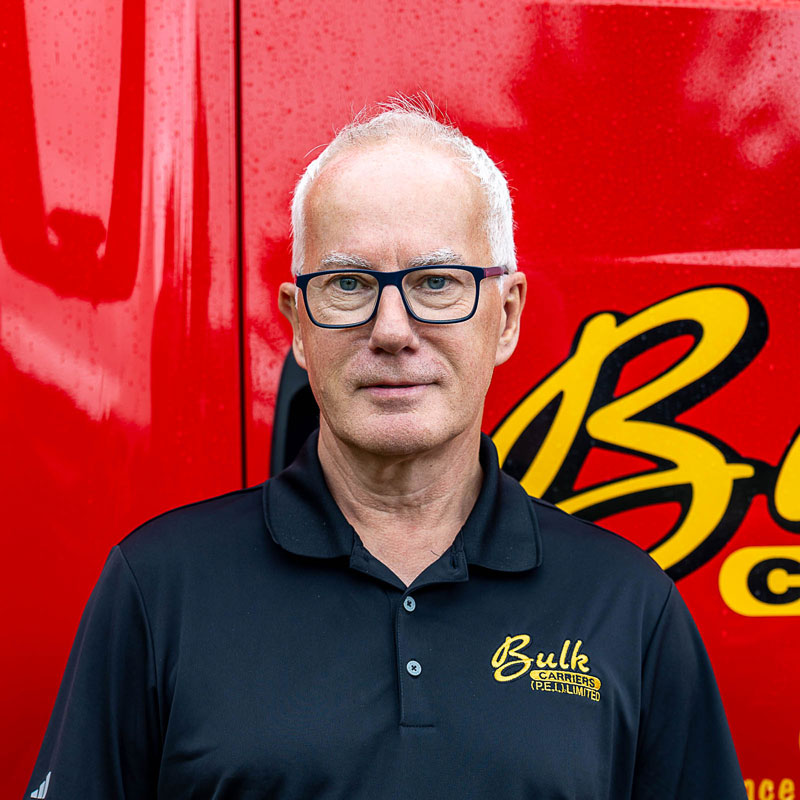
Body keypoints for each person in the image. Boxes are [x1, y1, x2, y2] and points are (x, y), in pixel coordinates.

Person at [26, 100, 746, 799]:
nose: (393, 330)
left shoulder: (627, 605)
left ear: (506, 316)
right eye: (348, 284)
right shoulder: (158, 591)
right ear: (298, 325)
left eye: (437, 283)